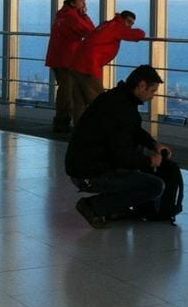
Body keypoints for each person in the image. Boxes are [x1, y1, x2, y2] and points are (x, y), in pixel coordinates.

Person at [65, 64, 180, 228]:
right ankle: (94, 206)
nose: (152, 96)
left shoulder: (118, 99)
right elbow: (122, 155)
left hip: (82, 167)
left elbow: (132, 129)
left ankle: (116, 208)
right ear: (141, 86)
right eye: (152, 91)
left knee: (136, 168)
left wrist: (153, 144)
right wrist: (149, 162)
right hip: (89, 174)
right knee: (155, 186)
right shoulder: (122, 108)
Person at [68, 10, 147, 122]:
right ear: (122, 19)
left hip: (76, 63)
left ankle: (78, 131)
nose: (129, 26)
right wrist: (139, 32)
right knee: (100, 101)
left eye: (131, 24)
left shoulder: (106, 24)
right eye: (128, 22)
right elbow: (138, 34)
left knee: (79, 101)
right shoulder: (117, 27)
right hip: (89, 66)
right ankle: (102, 131)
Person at [44, 0, 95, 133]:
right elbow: (90, 30)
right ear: (73, 3)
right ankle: (62, 122)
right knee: (67, 91)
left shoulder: (62, 14)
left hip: (57, 57)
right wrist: (84, 15)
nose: (84, 4)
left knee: (66, 90)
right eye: (81, 1)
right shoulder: (73, 16)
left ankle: (63, 121)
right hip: (67, 59)